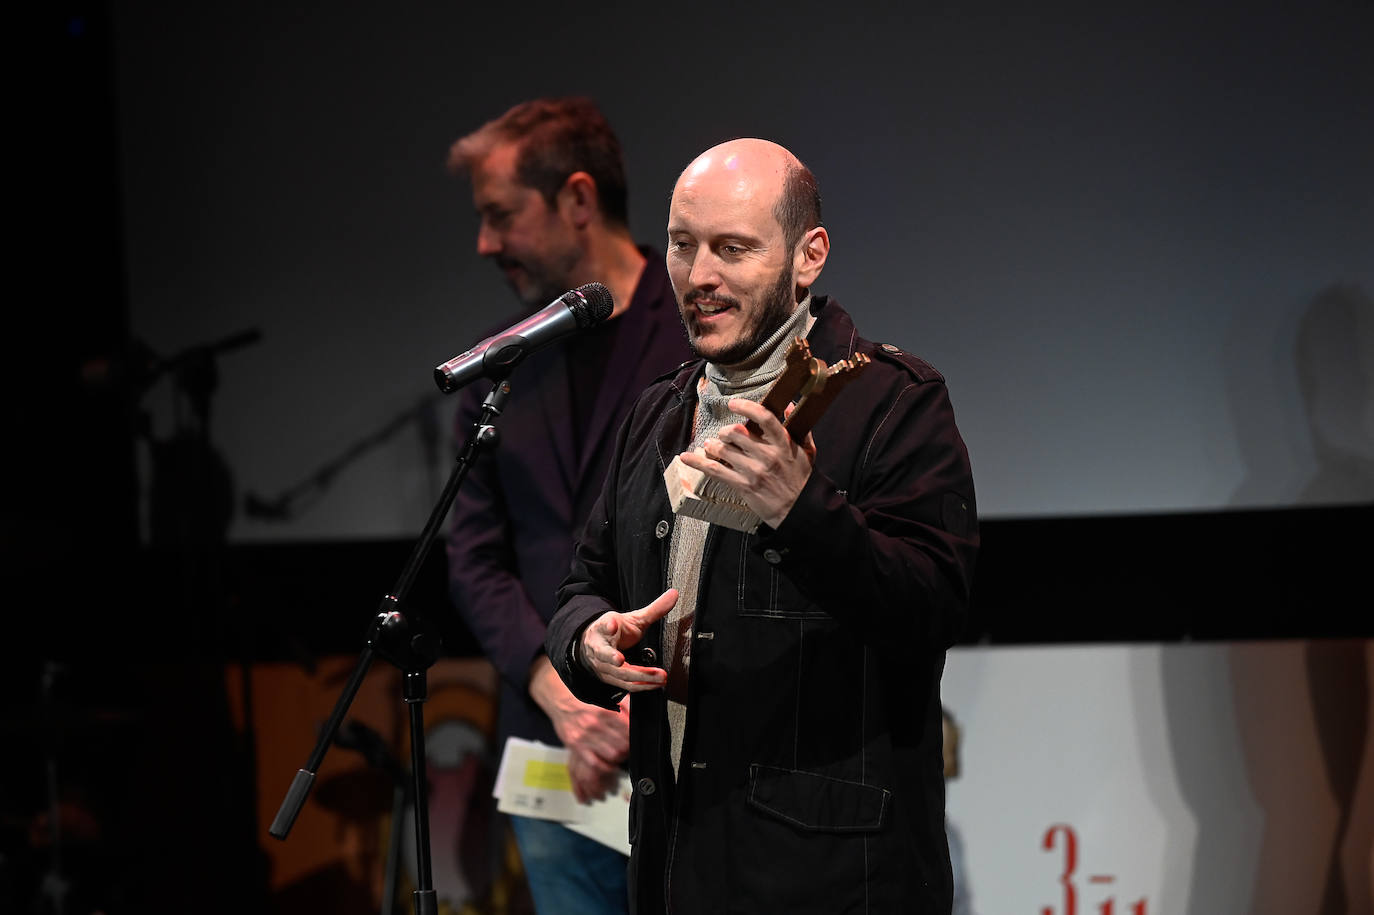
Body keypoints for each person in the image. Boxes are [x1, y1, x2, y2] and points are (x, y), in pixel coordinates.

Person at [545, 137, 979, 914]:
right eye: (683, 246)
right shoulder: (657, 411)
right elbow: (583, 584)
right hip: (678, 865)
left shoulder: (893, 402)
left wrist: (802, 510)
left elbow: (934, 606)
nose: (699, 276)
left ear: (808, 256)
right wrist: (588, 640)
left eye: (732, 249)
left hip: (831, 883)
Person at [443, 97, 691, 914]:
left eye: (500, 216)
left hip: (693, 746)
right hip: (554, 752)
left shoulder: (700, 332)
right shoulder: (497, 370)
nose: (484, 243)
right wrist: (560, 691)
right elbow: (473, 556)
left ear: (578, 200)